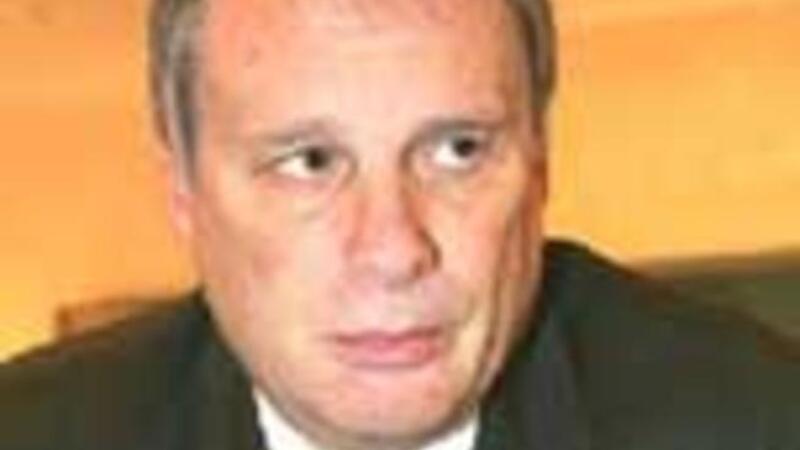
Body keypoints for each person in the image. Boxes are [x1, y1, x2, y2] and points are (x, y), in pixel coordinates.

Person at [1, 0, 798, 448]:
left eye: (458, 150)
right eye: (311, 161)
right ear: (182, 186)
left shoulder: (759, 420)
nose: (393, 250)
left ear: (539, 163)